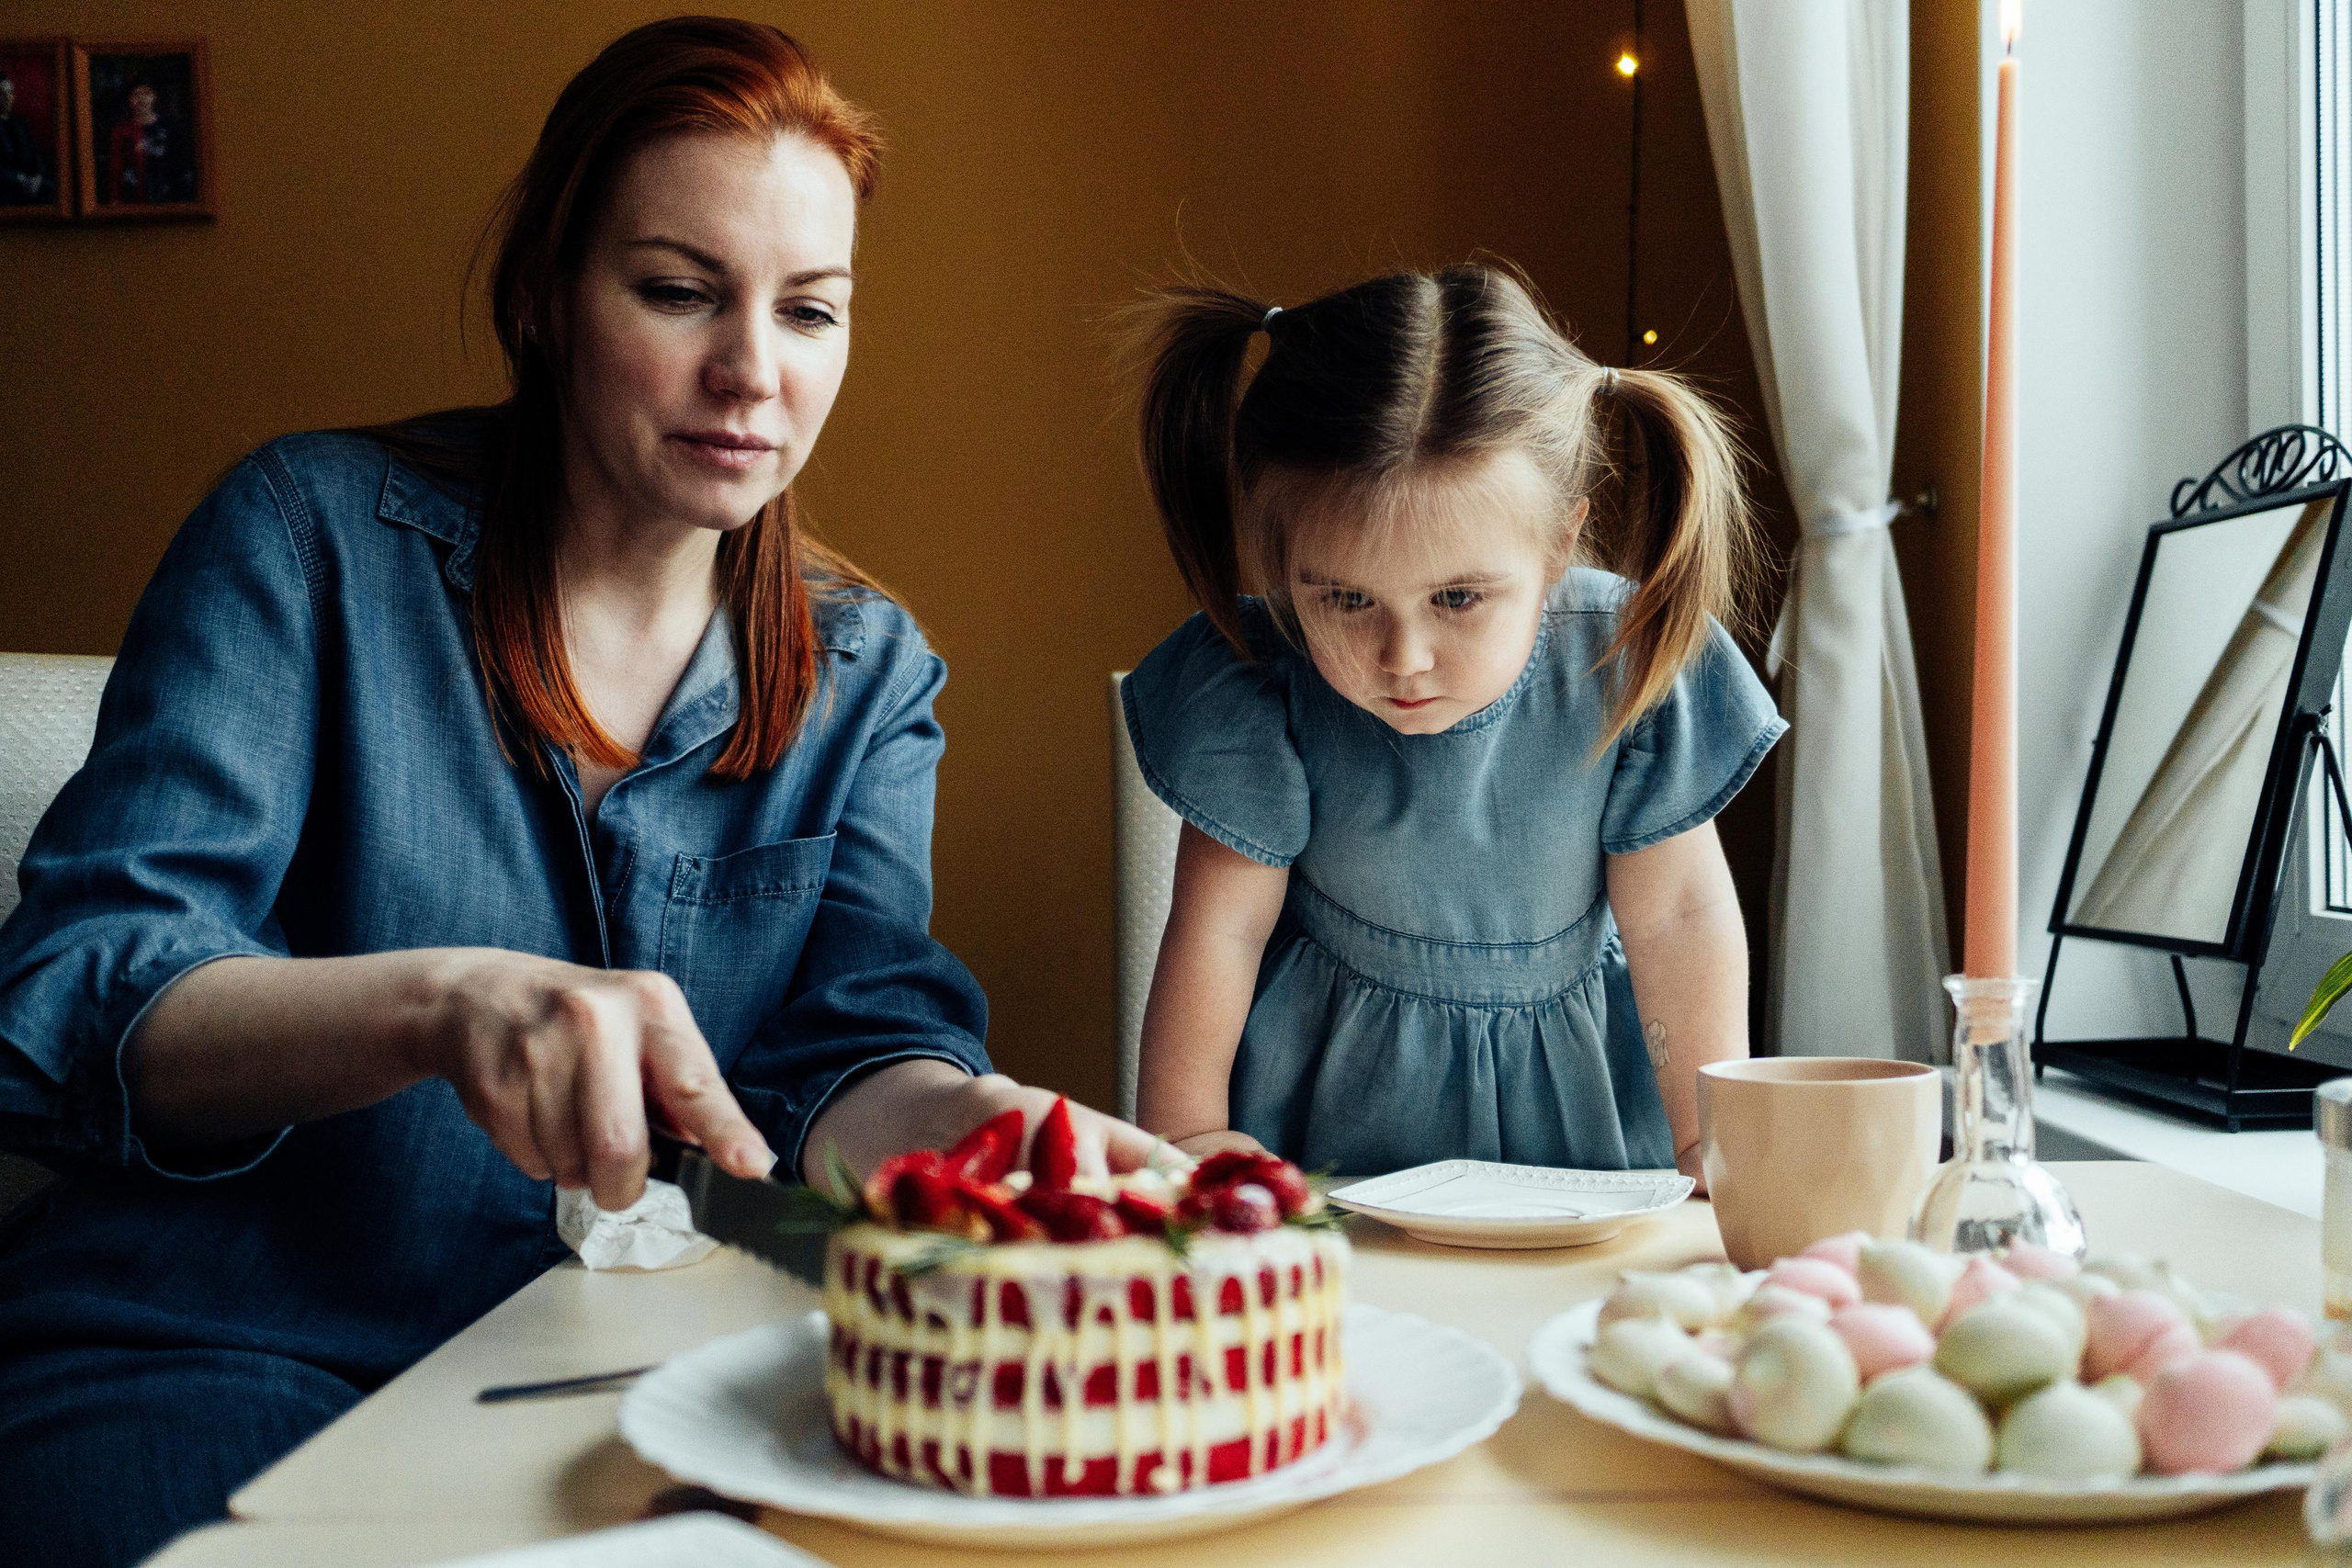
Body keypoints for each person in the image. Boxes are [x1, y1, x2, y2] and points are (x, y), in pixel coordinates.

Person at [0, 20, 1148, 1568]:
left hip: (614, 1378)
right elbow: (83, 995)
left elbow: (847, 1054)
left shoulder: (869, 674)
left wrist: (968, 1126)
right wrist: (441, 1005)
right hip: (203, 1348)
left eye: (811, 309)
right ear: (545, 294)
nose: (755, 369)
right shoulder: (304, 536)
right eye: (679, 291)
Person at [1122, 266, 1785, 1180]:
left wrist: (1705, 1141)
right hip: (1333, 1132)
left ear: (1558, 544)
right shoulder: (1261, 684)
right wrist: (1186, 1137)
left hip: (1584, 1133)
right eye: (1345, 597)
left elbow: (1677, 916)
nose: (1404, 655)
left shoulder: (1621, 661)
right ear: (1283, 565)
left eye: (1458, 597)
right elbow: (1217, 929)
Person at [105, 78, 189, 205]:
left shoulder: (170, 127)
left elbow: (180, 162)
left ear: (154, 97)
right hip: (132, 197)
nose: (141, 99)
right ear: (129, 99)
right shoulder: (121, 130)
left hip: (167, 196)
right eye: (136, 95)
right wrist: (115, 199)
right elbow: (116, 166)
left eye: (146, 93)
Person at [0, 72, 56, 205]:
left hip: (31, 185)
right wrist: (18, 178)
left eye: (10, 93)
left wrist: (37, 177)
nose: (9, 98)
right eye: (2, 94)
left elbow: (35, 155)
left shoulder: (21, 124)